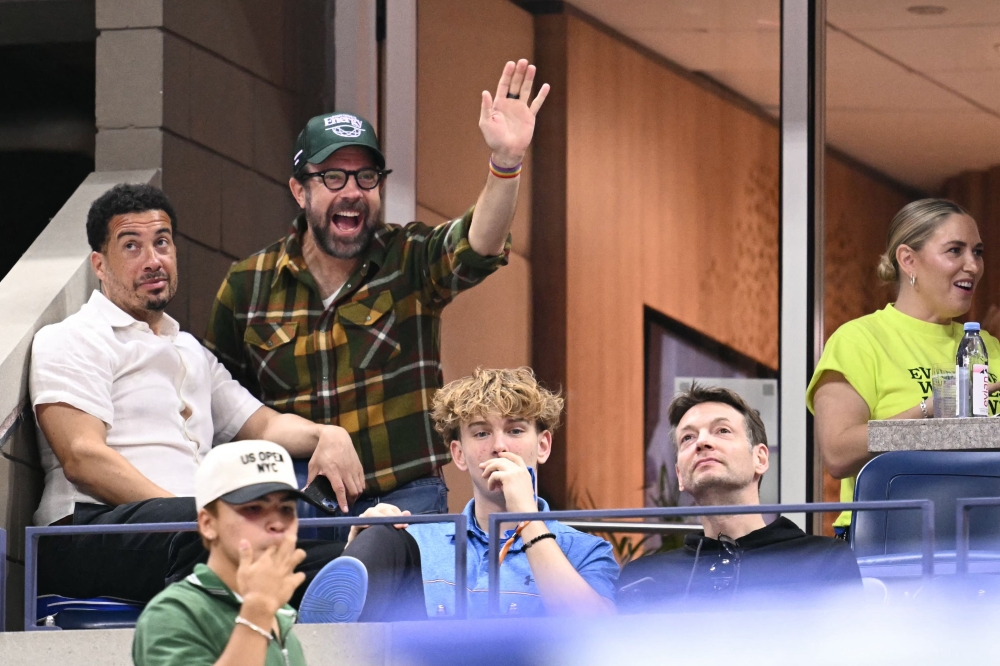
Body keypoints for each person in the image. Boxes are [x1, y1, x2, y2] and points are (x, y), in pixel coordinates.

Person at [29, 183, 421, 616]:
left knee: (390, 542)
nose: (153, 259)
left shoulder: (190, 350)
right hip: (88, 533)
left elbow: (263, 425)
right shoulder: (72, 338)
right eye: (132, 246)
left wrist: (326, 435)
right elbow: (83, 457)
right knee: (228, 531)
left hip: (198, 535)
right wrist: (195, 517)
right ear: (99, 265)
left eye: (161, 242)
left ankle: (341, 601)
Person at [204, 60, 550, 525]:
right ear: (299, 190)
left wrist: (505, 163)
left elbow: (477, 245)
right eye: (333, 177)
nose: (353, 191)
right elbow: (223, 410)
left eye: (366, 177)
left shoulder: (407, 259)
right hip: (291, 506)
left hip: (406, 499)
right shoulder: (248, 284)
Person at [351, 367, 619, 618]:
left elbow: (600, 637)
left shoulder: (586, 551)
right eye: (481, 433)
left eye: (515, 430)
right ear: (458, 454)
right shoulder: (415, 541)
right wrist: (366, 543)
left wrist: (526, 515)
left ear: (543, 446)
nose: (499, 446)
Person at [808, 198, 1000, 537]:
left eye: (978, 252)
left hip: (986, 538)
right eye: (955, 250)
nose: (973, 265)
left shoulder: (988, 347)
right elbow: (838, 453)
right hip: (892, 542)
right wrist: (933, 408)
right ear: (908, 260)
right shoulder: (860, 340)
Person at [617, 384, 861, 610]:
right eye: (688, 438)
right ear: (680, 475)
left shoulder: (824, 561)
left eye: (722, 430)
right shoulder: (642, 579)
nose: (702, 442)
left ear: (760, 459)